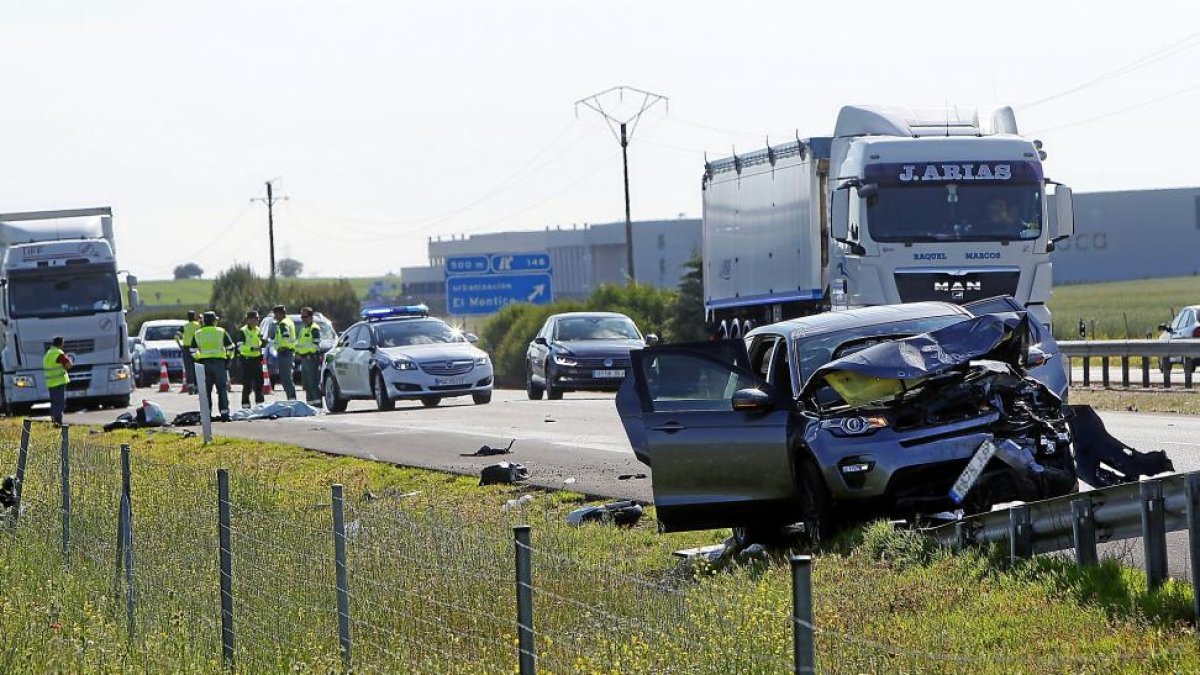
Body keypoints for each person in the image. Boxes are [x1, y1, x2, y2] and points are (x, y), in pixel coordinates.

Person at [189, 311, 235, 420]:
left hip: (204, 364)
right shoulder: (221, 331)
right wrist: (228, 360)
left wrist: (198, 358)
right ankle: (224, 414)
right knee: (222, 389)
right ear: (214, 321)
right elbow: (230, 348)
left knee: (205, 391)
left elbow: (192, 351)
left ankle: (206, 415)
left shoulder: (198, 333)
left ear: (204, 321)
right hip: (219, 363)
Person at [237, 310, 266, 409]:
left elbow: (261, 342)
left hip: (257, 360)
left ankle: (260, 405)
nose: (257, 321)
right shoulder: (243, 331)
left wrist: (263, 345)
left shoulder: (258, 330)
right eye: (255, 319)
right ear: (249, 320)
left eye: (257, 319)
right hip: (246, 360)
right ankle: (245, 406)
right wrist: (252, 349)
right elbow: (240, 347)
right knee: (247, 384)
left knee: (259, 383)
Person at [296, 306, 323, 407]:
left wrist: (307, 352)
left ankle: (318, 405)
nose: (303, 319)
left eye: (305, 317)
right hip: (303, 359)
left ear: (311, 317)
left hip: (311, 358)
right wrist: (298, 352)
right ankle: (310, 405)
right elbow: (300, 343)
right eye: (302, 317)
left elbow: (316, 345)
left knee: (313, 383)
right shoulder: (303, 329)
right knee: (306, 384)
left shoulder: (314, 329)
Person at [43, 336, 73, 425]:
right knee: (60, 403)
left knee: (54, 402)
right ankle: (58, 421)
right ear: (61, 343)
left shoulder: (48, 353)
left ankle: (53, 419)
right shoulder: (58, 353)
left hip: (50, 382)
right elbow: (68, 365)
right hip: (59, 382)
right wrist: (69, 359)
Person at [271, 305, 298, 401]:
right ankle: (292, 399)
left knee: (286, 378)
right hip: (288, 352)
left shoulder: (283, 324)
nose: (275, 316)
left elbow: (285, 335)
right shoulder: (289, 321)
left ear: (280, 313)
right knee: (287, 377)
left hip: (285, 352)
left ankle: (292, 399)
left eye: (276, 314)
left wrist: (282, 346)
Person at [176, 310, 201, 394]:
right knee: (197, 367)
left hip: (186, 348)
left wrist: (180, 345)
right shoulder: (198, 325)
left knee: (188, 368)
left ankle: (190, 387)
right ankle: (197, 386)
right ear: (194, 317)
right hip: (196, 348)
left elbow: (176, 336)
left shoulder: (184, 326)